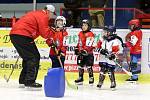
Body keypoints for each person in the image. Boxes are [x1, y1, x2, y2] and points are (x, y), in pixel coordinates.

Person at [9, 5, 56, 88]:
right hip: (23, 35)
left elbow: (38, 32)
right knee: (34, 57)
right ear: (48, 11)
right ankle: (30, 81)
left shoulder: (35, 13)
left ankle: (23, 79)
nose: (51, 16)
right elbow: (45, 33)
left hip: (15, 34)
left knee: (28, 57)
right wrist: (53, 32)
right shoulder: (43, 16)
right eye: (52, 14)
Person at [74, 19, 95, 85]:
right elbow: (79, 42)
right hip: (81, 53)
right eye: (82, 25)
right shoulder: (80, 33)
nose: (83, 26)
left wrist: (85, 50)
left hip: (88, 54)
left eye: (85, 25)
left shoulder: (90, 34)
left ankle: (91, 77)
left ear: (89, 26)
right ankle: (80, 78)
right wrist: (77, 48)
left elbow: (89, 44)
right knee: (80, 66)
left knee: (89, 66)